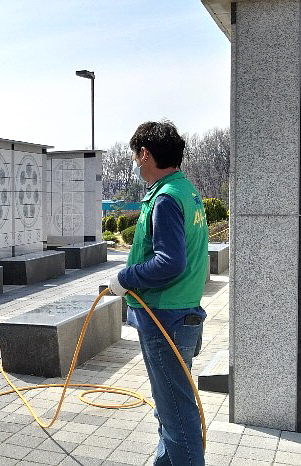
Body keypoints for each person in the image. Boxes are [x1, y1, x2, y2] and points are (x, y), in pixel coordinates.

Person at [105, 121, 208, 466]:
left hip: (167, 316)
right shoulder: (186, 191)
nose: (135, 164)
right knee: (170, 407)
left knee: (177, 415)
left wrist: (126, 277)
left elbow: (169, 262)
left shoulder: (165, 198)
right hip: (181, 313)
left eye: (136, 156)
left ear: (145, 153)